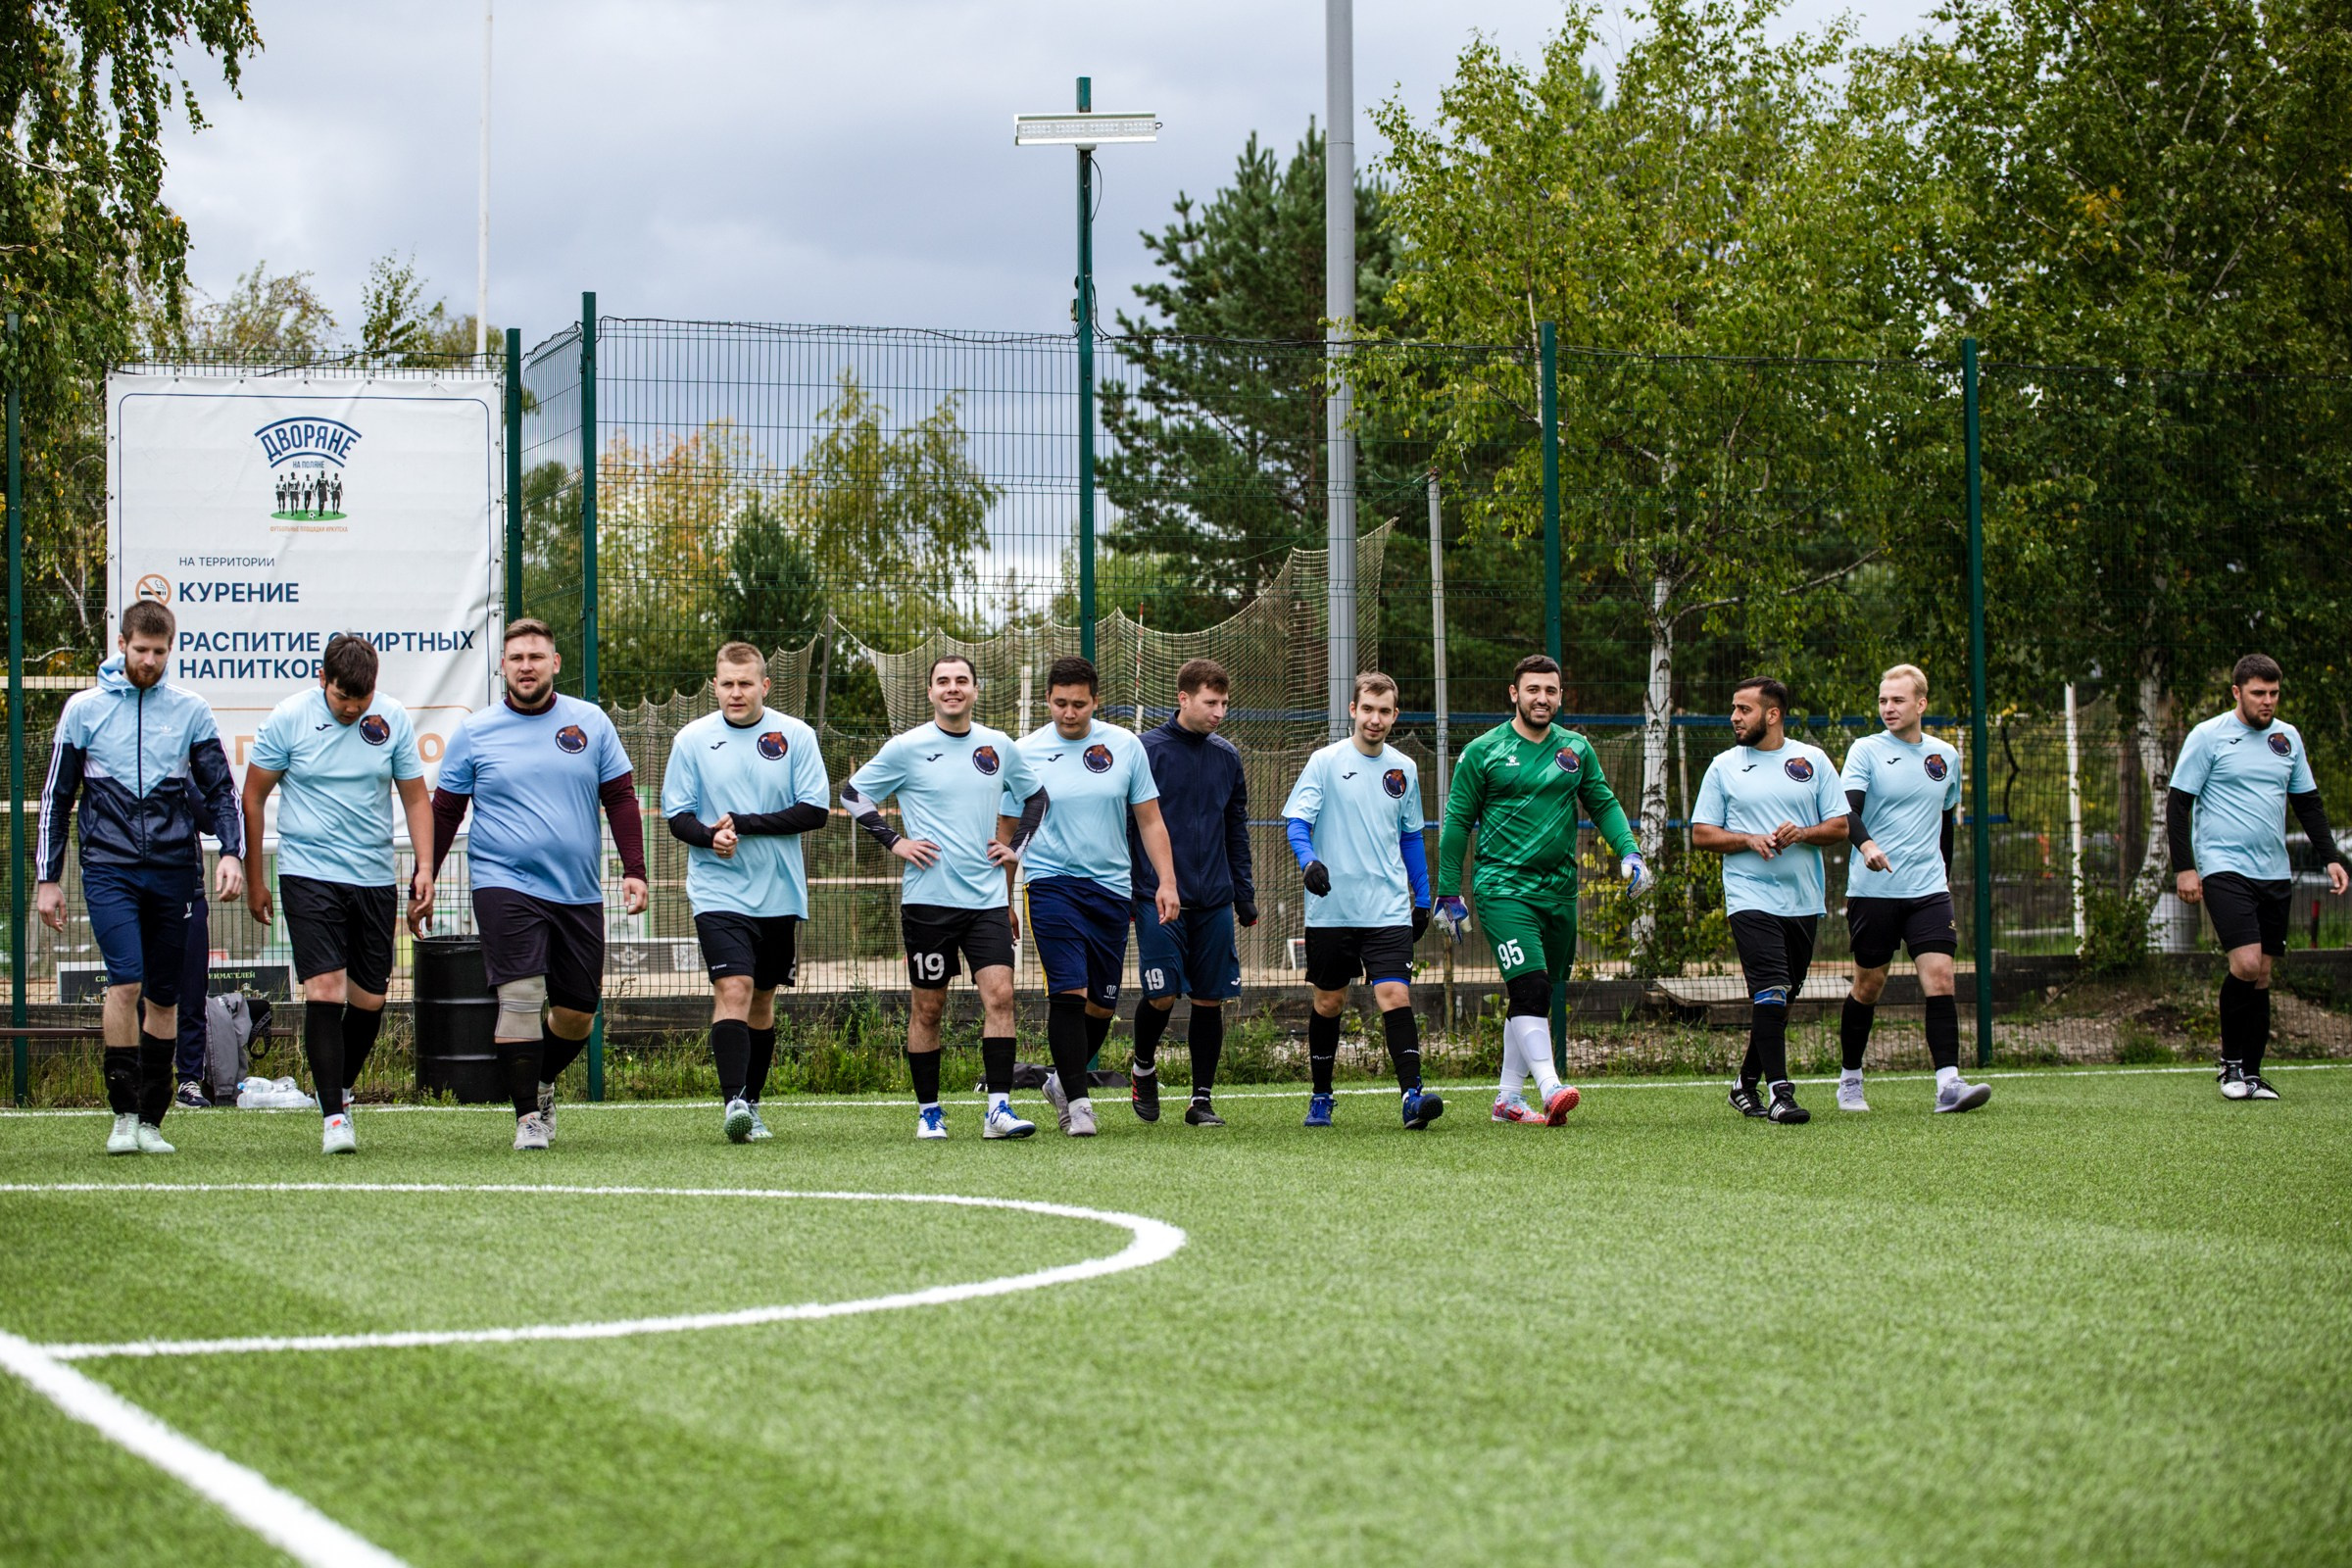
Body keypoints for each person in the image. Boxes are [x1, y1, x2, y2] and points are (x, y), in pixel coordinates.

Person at [426, 618, 648, 1152]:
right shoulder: (475, 731)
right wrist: (424, 878)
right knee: (521, 995)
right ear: (502, 665)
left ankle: (541, 1083)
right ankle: (527, 1117)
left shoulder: (590, 723)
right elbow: (446, 810)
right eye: (516, 657)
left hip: (577, 890)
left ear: (555, 663)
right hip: (504, 883)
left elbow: (619, 798)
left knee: (577, 1014)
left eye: (536, 656)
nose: (526, 666)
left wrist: (635, 869)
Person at [35, 599, 244, 1155]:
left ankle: (152, 1121)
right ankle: (123, 1116)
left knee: (166, 998)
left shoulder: (191, 709)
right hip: (108, 869)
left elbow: (221, 789)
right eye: (141, 649)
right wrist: (47, 879)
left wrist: (231, 852)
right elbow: (56, 799)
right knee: (125, 981)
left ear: (170, 650)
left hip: (175, 871)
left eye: (160, 652)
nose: (149, 660)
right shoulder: (83, 709)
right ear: (122, 644)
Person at [240, 635, 436, 1153]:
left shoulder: (390, 718)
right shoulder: (288, 718)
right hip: (308, 874)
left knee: (369, 1000)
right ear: (322, 680)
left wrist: (425, 867)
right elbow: (253, 797)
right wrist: (256, 878)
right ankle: (333, 1119)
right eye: (343, 698)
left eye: (362, 699)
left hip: (373, 878)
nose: (352, 708)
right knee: (324, 989)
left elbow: (416, 798)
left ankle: (340, 1089)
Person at [1433, 654, 1646, 1127]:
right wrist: (1448, 891)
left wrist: (1629, 852)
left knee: (1535, 993)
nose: (1542, 698)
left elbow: (1603, 802)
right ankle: (1551, 1086)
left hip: (1559, 891)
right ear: (1514, 693)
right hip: (1502, 887)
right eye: (1533, 690)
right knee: (1529, 985)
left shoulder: (1575, 749)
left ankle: (1508, 1099)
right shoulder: (1483, 751)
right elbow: (1456, 825)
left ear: (1560, 696)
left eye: (1550, 691)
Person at [842, 655, 1048, 1141]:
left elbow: (1036, 797)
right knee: (928, 1008)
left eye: (961, 681)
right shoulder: (907, 747)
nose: (952, 689)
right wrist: (896, 841)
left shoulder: (998, 746)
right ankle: (929, 1112)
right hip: (928, 902)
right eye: (943, 682)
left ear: (975, 690)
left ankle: (998, 1109)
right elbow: (854, 793)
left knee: (1000, 997)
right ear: (930, 691)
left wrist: (1013, 849)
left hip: (986, 902)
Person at [662, 643, 830, 1143]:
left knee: (761, 1001)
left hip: (779, 893)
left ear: (764, 686)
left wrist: (745, 824)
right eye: (727, 684)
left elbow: (814, 811)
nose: (735, 693)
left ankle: (753, 1105)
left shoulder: (795, 736)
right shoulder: (692, 739)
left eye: (745, 683)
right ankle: (734, 1101)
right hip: (718, 891)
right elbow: (678, 816)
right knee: (732, 989)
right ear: (714, 686)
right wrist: (710, 835)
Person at [1007, 656, 1181, 1138]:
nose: (1069, 713)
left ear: (1095, 700)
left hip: (1111, 889)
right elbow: (1008, 828)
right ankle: (1079, 1105)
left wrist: (1166, 881)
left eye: (1078, 704)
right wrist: (1002, 897)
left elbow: (1150, 820)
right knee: (1069, 991)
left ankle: (1061, 1082)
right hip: (1048, 883)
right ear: (1048, 700)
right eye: (1060, 703)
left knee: (1102, 1005)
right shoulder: (1024, 752)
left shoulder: (1124, 747)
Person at [2170, 653, 2348, 1101]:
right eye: (2258, 693)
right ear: (2237, 692)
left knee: (2263, 973)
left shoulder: (2287, 738)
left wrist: (2331, 857)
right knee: (2246, 963)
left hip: (2274, 871)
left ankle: (2252, 1073)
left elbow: (2308, 802)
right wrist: (2185, 867)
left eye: (2273, 693)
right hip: (2223, 866)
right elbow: (2178, 802)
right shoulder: (2208, 736)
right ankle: (2229, 1068)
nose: (2267, 702)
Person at [1281, 671, 1442, 1131]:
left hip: (1387, 908)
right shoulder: (1324, 762)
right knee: (1329, 1001)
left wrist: (1423, 895)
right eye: (1367, 709)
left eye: (1384, 711)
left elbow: (1411, 837)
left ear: (1395, 715)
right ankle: (1321, 1096)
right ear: (1353, 710)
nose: (1375, 719)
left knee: (1394, 994)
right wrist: (1309, 863)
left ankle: (1412, 1096)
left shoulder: (1403, 768)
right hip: (1332, 910)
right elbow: (1296, 823)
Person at [1690, 677, 1848, 1125]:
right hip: (1749, 896)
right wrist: (1747, 839)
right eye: (1734, 709)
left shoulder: (1813, 760)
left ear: (1772, 714)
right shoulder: (1723, 766)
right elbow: (1702, 833)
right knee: (1772, 986)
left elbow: (1839, 827)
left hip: (1803, 899)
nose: (1734, 717)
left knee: (1783, 996)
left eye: (1744, 709)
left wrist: (1803, 832)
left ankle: (1744, 1083)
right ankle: (1780, 1093)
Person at [1837, 664, 1992, 1114]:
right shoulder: (1864, 750)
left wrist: (1945, 873)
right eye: (1883, 700)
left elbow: (1946, 822)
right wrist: (1865, 845)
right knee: (1869, 985)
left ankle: (1949, 1084)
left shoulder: (1944, 756)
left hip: (1928, 890)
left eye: (1898, 700)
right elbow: (1849, 812)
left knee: (1941, 979)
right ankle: (1850, 1079)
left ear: (1921, 704)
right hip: (1874, 889)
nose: (1888, 708)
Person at [1126, 657, 1256, 1128]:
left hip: (1216, 900)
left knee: (1208, 999)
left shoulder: (1228, 756)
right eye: (1210, 702)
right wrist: (1128, 889)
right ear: (1183, 699)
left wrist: (1244, 894)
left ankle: (1201, 1100)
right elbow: (1130, 826)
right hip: (1155, 897)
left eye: (1224, 703)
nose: (1219, 712)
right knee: (1162, 995)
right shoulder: (1145, 751)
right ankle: (1143, 1065)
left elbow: (1235, 829)